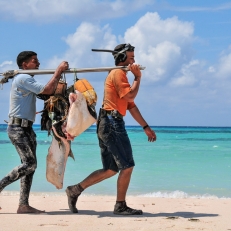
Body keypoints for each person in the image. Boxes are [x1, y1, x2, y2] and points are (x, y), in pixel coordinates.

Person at [65, 43, 157, 215]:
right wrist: (138, 78)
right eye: (131, 58)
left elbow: (131, 106)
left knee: (111, 169)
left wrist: (145, 127)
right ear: (122, 59)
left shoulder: (120, 76)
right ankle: (120, 205)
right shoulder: (118, 73)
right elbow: (130, 95)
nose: (134, 61)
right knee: (127, 166)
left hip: (108, 121)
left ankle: (75, 190)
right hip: (111, 122)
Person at [0, 51, 69, 214]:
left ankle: (23, 205)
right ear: (25, 65)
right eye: (34, 61)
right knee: (30, 164)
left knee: (30, 167)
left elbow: (46, 94)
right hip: (17, 128)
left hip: (27, 128)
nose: (38, 64)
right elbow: (47, 90)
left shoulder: (26, 79)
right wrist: (58, 71)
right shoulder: (23, 78)